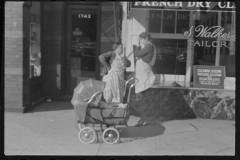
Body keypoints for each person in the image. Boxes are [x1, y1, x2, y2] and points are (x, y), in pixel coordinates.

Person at [134, 32, 157, 127]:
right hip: (141, 75)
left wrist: (137, 46)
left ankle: (143, 119)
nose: (140, 41)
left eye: (141, 39)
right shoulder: (147, 46)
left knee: (142, 99)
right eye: (139, 39)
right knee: (142, 98)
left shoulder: (149, 46)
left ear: (147, 38)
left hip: (144, 76)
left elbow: (137, 54)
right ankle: (145, 118)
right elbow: (138, 55)